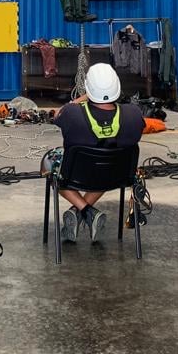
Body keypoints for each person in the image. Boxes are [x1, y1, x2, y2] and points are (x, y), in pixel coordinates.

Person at [45, 63, 144, 243]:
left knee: (48, 163)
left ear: (89, 88)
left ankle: (86, 211)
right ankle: (82, 211)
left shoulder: (71, 113)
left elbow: (57, 115)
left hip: (75, 175)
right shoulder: (134, 114)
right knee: (108, 163)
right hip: (117, 175)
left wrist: (83, 97)